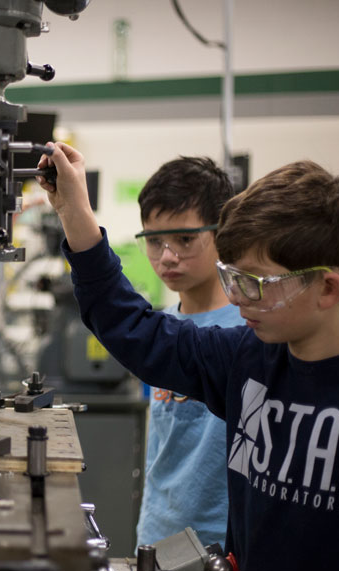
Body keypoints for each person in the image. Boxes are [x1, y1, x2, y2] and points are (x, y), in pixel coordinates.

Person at [37, 143, 339, 571]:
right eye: (234, 279)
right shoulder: (247, 360)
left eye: (256, 283)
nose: (238, 297)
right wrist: (74, 210)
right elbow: (133, 327)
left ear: (327, 288)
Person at [133, 157, 242, 550]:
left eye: (184, 239)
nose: (167, 256)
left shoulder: (251, 330)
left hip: (223, 543)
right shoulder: (162, 328)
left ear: (221, 232)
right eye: (154, 240)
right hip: (157, 534)